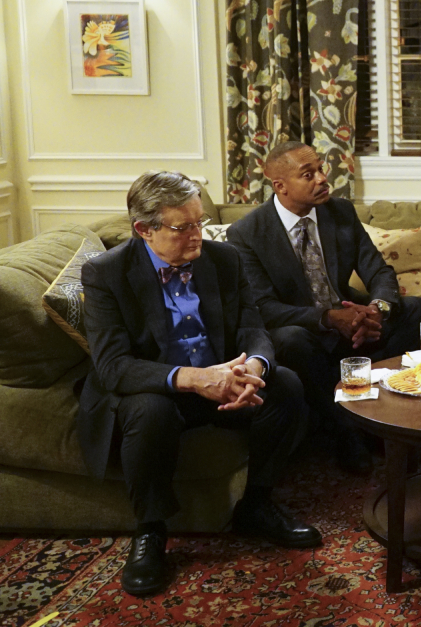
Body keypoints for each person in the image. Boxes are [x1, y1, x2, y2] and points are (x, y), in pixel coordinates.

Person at [78, 171, 320, 598]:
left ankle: (256, 504)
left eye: (199, 222)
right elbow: (114, 366)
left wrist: (254, 368)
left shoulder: (223, 258)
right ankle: (150, 530)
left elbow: (252, 327)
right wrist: (195, 379)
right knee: (149, 410)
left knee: (286, 385)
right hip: (159, 389)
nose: (197, 236)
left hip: (223, 379)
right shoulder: (106, 273)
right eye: (183, 227)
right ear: (144, 229)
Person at [227, 142, 421, 475]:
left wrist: (376, 309)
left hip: (353, 321)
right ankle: (346, 430)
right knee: (289, 339)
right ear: (280, 186)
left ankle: (384, 415)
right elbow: (263, 307)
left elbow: (378, 271)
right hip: (306, 330)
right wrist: (327, 318)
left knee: (417, 309)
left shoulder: (340, 212)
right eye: (308, 175)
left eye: (321, 169)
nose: (323, 179)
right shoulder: (247, 233)